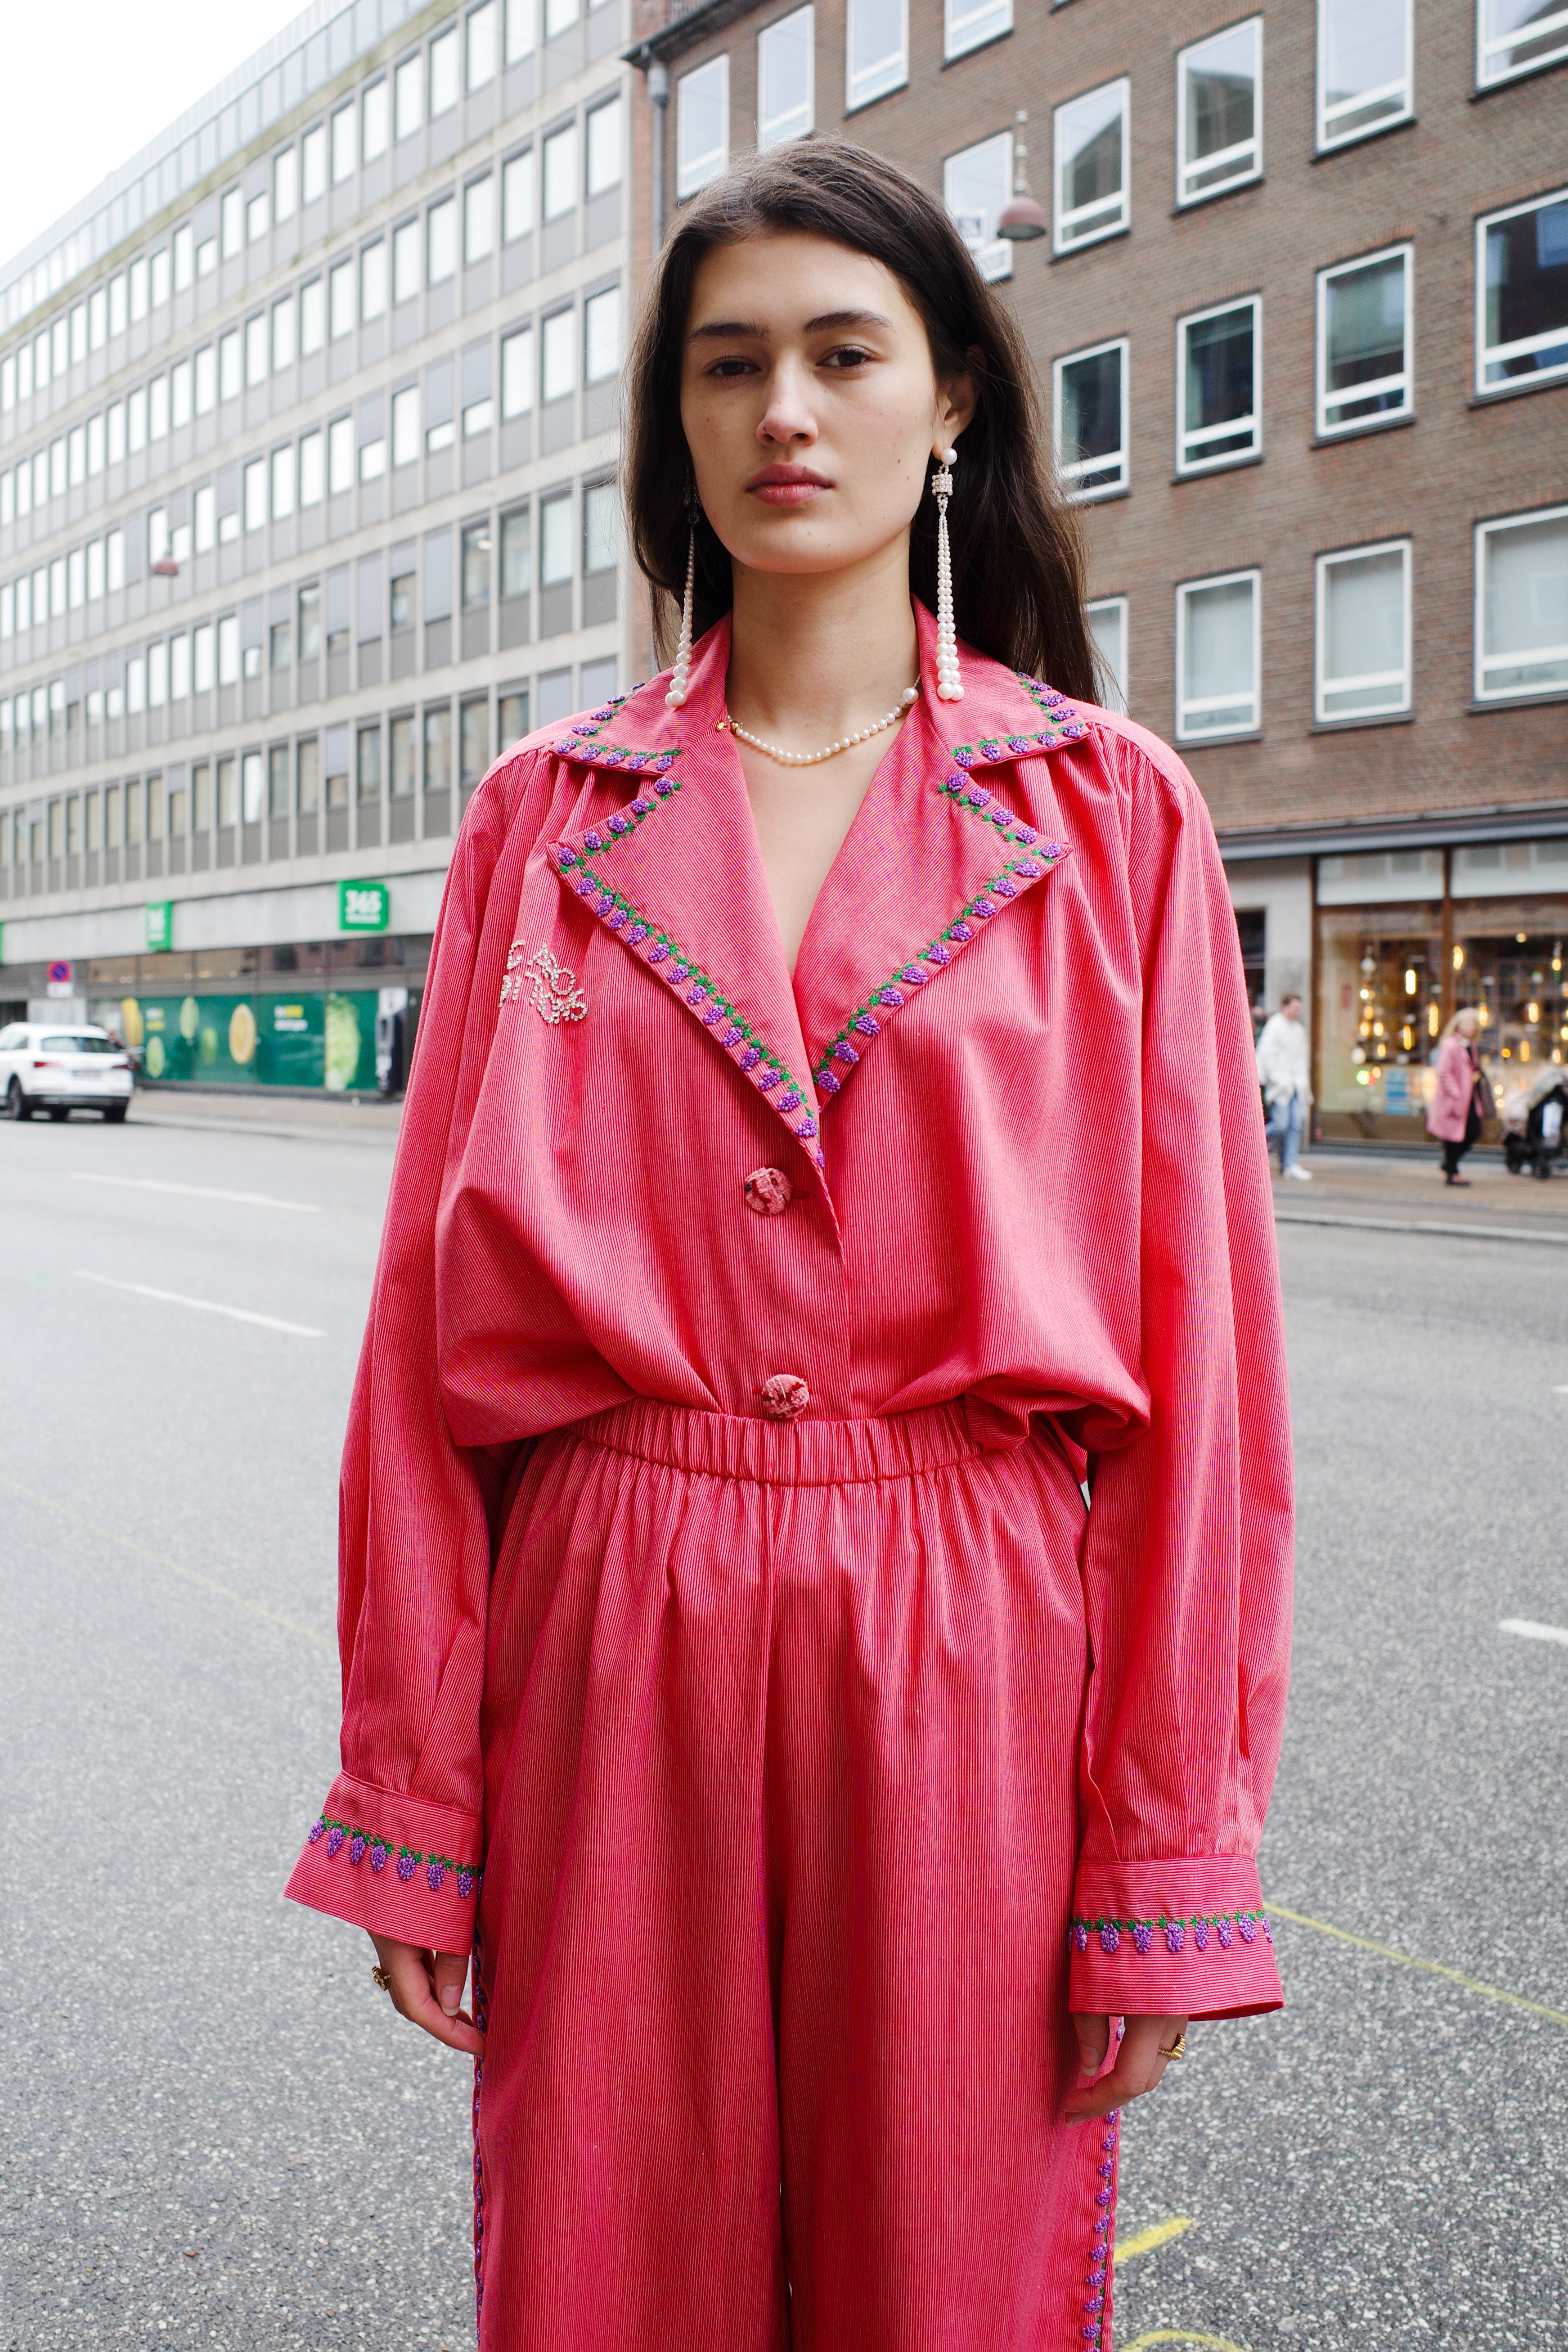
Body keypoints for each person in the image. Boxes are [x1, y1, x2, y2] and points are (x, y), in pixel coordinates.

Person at [286, 142, 1293, 2352]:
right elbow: (416, 1339)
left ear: (952, 407)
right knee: (603, 2277)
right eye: (727, 366)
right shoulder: (541, 822)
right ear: (677, 427)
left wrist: (1156, 1863)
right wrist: (413, 1793)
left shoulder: (1106, 815)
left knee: (953, 2287)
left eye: (845, 354)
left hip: (970, 1638)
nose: (783, 414)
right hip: (610, 1617)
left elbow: (1199, 1365)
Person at [1256, 991, 1313, 1180]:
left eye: (1300, 1009)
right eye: (1295, 1008)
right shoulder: (1275, 1026)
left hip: (1295, 1084)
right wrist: (1278, 1079)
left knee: (1295, 1125)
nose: (1298, 1012)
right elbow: (1266, 1054)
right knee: (1281, 1125)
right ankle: (1252, 1145)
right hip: (1281, 1085)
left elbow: (1302, 1058)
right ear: (1285, 1007)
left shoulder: (1298, 1030)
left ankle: (1289, 1164)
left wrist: (1301, 1081)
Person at [1428, 1005, 1485, 1184]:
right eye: (1466, 1023)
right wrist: (1456, 1093)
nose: (1469, 1027)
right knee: (1453, 1136)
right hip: (1454, 1100)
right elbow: (1444, 1072)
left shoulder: (1470, 1046)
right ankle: (1452, 1173)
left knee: (1473, 1130)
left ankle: (1450, 1165)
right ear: (1458, 1025)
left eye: (1472, 1024)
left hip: (1469, 1099)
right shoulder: (1451, 1045)